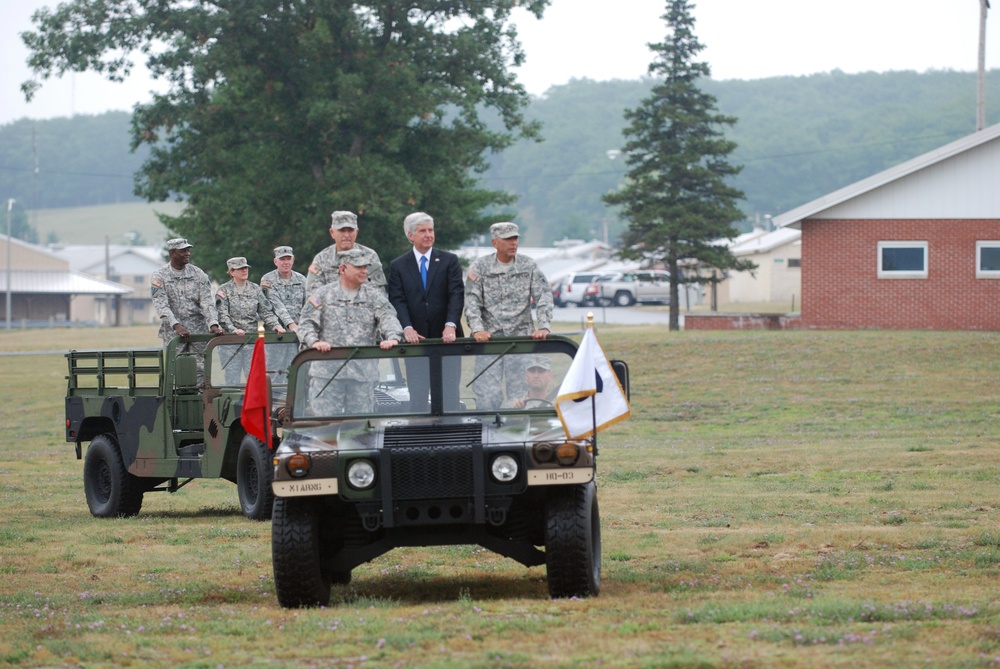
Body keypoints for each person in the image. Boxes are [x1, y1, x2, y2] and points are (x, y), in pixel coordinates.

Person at [297, 248, 404, 415]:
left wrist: (393, 337)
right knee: (326, 429)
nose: (364, 271)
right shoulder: (323, 294)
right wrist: (315, 342)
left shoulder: (373, 295)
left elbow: (388, 317)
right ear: (343, 269)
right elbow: (305, 323)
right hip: (328, 375)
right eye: (359, 267)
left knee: (359, 429)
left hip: (362, 376)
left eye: (365, 267)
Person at [464, 222, 554, 409]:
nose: (513, 243)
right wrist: (477, 329)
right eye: (508, 239)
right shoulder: (480, 267)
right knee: (488, 396)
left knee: (520, 397)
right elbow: (471, 302)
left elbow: (543, 295)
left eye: (515, 238)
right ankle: (489, 436)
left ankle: (519, 436)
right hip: (490, 342)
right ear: (495, 242)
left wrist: (544, 325)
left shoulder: (528, 265)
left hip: (520, 341)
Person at [387, 212, 465, 411]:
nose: (428, 234)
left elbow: (456, 295)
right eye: (423, 231)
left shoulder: (449, 261)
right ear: (410, 235)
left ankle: (451, 437)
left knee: (449, 395)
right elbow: (397, 300)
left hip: (447, 340)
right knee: (418, 394)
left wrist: (451, 326)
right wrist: (407, 327)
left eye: (431, 230)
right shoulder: (398, 265)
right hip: (416, 341)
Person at [150, 237, 223, 385]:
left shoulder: (198, 274)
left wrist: (213, 323)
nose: (187, 253)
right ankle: (178, 404)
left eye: (188, 250)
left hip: (198, 328)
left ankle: (201, 403)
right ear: (172, 253)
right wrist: (175, 325)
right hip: (173, 331)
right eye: (182, 250)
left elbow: (207, 302)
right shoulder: (159, 277)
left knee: (201, 369)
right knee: (175, 370)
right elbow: (161, 304)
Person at [305, 210, 387, 295]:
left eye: (350, 230)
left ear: (357, 232)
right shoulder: (321, 259)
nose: (346, 235)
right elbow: (312, 294)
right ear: (332, 233)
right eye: (342, 230)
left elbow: (379, 292)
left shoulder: (369, 256)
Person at [216, 257, 286, 336]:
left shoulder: (255, 288)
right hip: (231, 339)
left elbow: (265, 312)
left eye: (245, 268)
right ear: (232, 272)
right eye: (240, 268)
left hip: (251, 337)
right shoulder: (224, 290)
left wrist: (276, 326)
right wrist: (233, 329)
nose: (244, 270)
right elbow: (222, 315)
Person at [260, 245, 306, 334]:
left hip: (299, 331)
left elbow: (307, 305)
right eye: (282, 259)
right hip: (277, 332)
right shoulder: (268, 280)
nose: (286, 262)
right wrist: (291, 324)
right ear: (275, 261)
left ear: (293, 260)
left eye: (288, 259)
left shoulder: (301, 279)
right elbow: (276, 304)